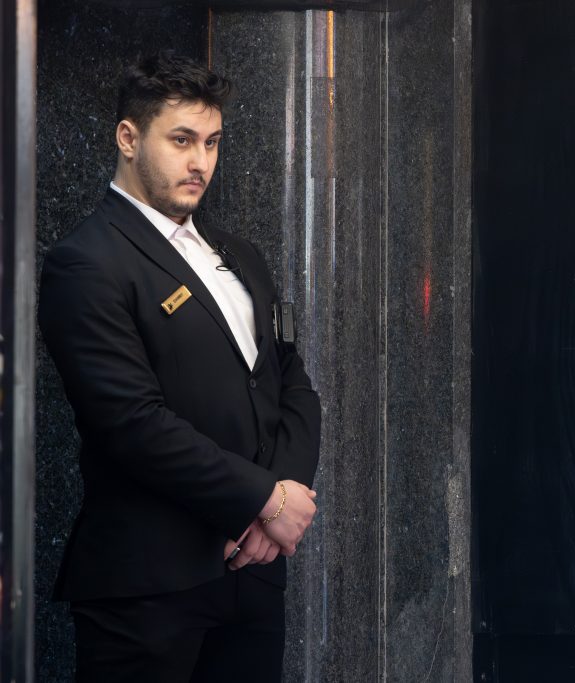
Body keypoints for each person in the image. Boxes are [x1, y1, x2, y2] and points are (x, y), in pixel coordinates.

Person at [38, 51, 321, 682]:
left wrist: (281, 504)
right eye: (182, 140)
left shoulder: (241, 255)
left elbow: (292, 385)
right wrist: (260, 501)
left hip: (251, 573)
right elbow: (131, 423)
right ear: (129, 137)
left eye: (213, 142)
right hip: (147, 586)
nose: (201, 162)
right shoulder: (86, 262)